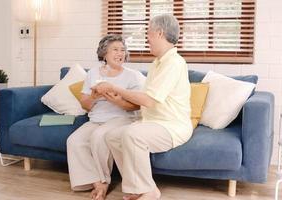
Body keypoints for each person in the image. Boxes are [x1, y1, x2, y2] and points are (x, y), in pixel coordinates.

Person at [94, 14, 193, 200]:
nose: (147, 37)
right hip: (153, 122)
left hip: (172, 126)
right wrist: (118, 96)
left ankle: (149, 191)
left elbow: (148, 100)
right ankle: (137, 188)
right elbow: (143, 99)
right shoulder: (157, 63)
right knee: (112, 136)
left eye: (148, 32)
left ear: (159, 33)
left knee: (132, 135)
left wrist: (116, 88)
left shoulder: (173, 63)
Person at [66, 34, 144, 200]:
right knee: (74, 141)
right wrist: (94, 96)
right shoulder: (93, 73)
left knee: (98, 137)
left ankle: (103, 182)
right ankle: (94, 181)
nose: (120, 53)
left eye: (122, 50)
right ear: (104, 54)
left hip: (122, 118)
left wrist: (118, 101)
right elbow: (84, 104)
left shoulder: (132, 75)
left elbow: (136, 106)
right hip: (96, 119)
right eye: (115, 49)